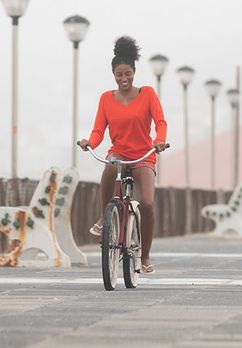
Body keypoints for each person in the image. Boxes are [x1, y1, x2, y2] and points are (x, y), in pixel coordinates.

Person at [77, 36, 167, 274]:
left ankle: (145, 256)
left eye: (128, 74)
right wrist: (89, 142)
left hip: (143, 155)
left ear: (134, 72)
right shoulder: (106, 98)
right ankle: (103, 218)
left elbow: (160, 121)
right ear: (113, 75)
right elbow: (98, 130)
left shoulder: (147, 94)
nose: (124, 78)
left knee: (147, 203)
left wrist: (159, 141)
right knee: (108, 168)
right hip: (119, 152)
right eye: (119, 74)